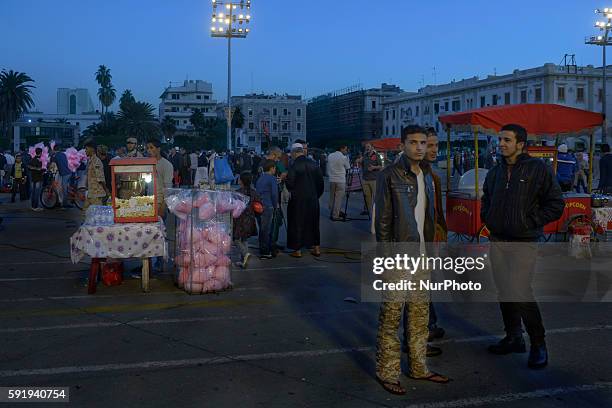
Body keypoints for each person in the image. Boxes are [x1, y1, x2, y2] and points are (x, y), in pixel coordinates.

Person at [481, 124, 564, 369]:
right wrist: (489, 217)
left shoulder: (538, 169)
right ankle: (514, 337)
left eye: (507, 140)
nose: (501, 144)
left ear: (520, 143)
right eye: (500, 140)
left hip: (523, 242)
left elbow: (556, 204)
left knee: (521, 292)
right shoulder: (495, 171)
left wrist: (530, 222)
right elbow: (486, 197)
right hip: (497, 240)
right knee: (504, 291)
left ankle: (539, 344)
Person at [374, 126, 449, 395]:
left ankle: (419, 367)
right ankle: (388, 372)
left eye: (423, 142)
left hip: (422, 256)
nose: (419, 147)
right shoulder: (389, 176)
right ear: (403, 144)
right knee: (391, 318)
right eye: (413, 142)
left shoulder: (427, 176)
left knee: (419, 316)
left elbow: (430, 216)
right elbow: (382, 222)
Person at [285, 143, 324, 258]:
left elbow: (290, 184)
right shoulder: (314, 164)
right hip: (313, 198)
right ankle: (316, 247)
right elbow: (320, 183)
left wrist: (285, 179)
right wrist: (316, 195)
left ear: (294, 153)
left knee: (297, 223)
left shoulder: (294, 165)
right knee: (313, 222)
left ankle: (297, 250)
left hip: (298, 200)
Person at [233, 171, 259, 268]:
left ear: (241, 181)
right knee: (244, 239)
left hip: (240, 220)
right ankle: (244, 261)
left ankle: (245, 254)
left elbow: (233, 205)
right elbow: (258, 204)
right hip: (250, 219)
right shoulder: (254, 192)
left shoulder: (238, 193)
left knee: (236, 239)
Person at [255, 160, 279, 259]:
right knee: (267, 230)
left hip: (259, 206)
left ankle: (263, 248)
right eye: (275, 168)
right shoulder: (272, 178)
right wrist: (275, 205)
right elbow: (274, 194)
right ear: (272, 168)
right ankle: (265, 251)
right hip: (268, 205)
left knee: (262, 229)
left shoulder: (260, 178)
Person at [146, 139, 174, 218]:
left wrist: (163, 207)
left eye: (151, 148)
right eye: (147, 148)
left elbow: (168, 189)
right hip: (148, 201)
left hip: (159, 203)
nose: (149, 150)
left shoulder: (166, 165)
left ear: (158, 149)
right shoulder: (147, 164)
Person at [326, 145, 350, 221]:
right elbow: (348, 167)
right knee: (338, 199)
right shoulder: (343, 157)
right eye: (345, 149)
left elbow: (328, 166)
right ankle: (335, 215)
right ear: (341, 149)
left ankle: (332, 212)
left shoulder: (330, 156)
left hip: (332, 179)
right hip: (340, 180)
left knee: (332, 197)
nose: (346, 151)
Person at [83, 141, 108, 211]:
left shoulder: (96, 161)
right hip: (91, 193)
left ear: (92, 149)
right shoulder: (90, 160)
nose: (85, 151)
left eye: (86, 149)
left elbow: (101, 179)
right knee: (86, 213)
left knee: (97, 215)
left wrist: (106, 191)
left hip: (96, 194)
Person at [362, 143, 382, 216]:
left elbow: (381, 166)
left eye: (368, 146)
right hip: (365, 178)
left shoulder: (376, 155)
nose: (367, 148)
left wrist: (374, 167)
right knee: (366, 195)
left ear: (372, 147)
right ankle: (366, 210)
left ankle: (378, 210)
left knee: (375, 195)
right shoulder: (365, 155)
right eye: (366, 146)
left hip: (374, 179)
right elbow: (362, 165)